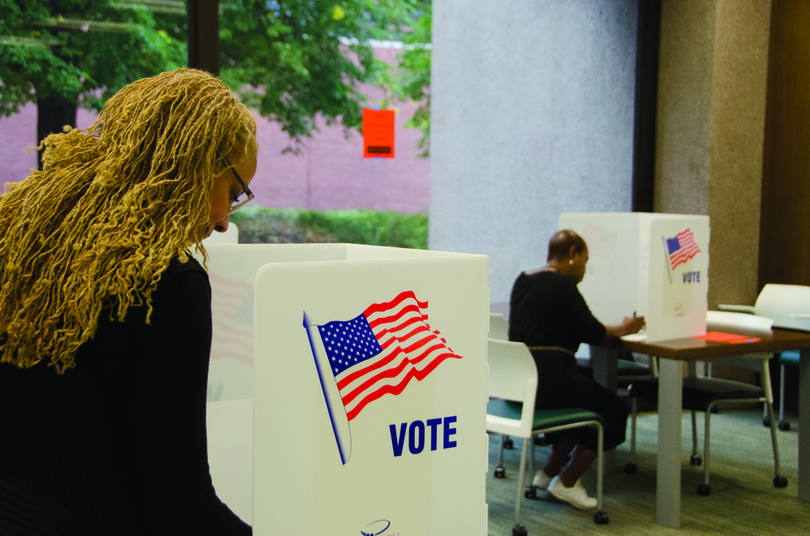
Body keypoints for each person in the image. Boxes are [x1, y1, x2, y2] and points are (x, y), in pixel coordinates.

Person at [0, 69, 258, 535]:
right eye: (234, 191)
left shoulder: (19, 236)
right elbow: (181, 507)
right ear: (196, 164)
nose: (224, 220)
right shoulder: (168, 284)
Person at [508, 229, 645, 510]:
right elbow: (593, 332)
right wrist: (626, 328)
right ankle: (568, 482)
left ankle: (546, 475)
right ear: (572, 255)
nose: (585, 268)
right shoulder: (562, 284)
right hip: (551, 380)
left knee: (583, 406)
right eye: (585, 259)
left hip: (521, 381)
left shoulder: (522, 281)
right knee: (614, 410)